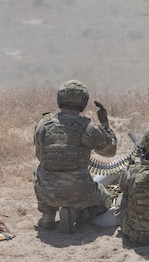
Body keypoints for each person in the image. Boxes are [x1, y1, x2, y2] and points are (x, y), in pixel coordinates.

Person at [33, 79, 117, 233]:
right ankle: (76, 214)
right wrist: (105, 123)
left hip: (47, 193)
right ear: (83, 102)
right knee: (106, 200)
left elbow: (40, 156)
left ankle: (48, 214)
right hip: (81, 193)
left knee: (37, 168)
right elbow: (110, 151)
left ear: (60, 98)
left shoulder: (43, 124)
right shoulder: (88, 128)